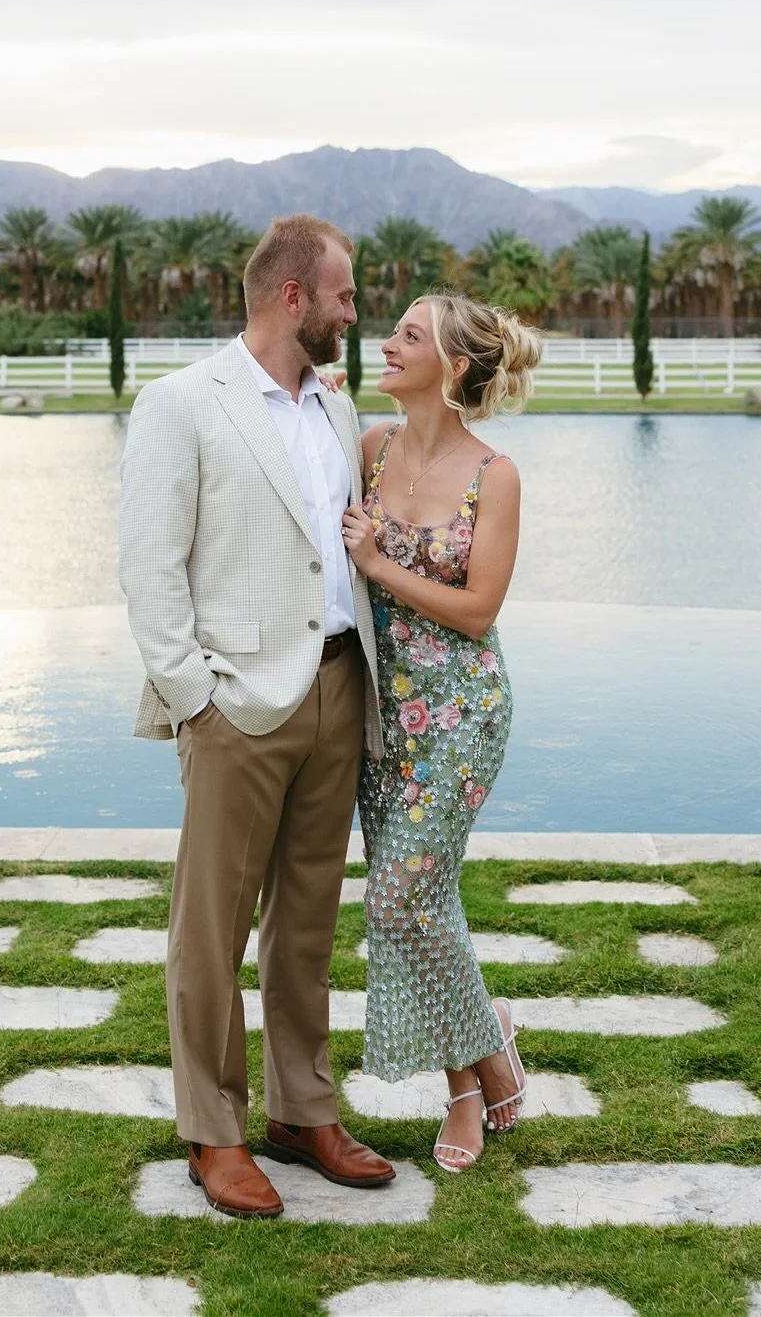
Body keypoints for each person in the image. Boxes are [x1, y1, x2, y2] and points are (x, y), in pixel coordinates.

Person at [118, 213, 395, 1219]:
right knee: (211, 929)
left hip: (336, 685)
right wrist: (198, 699)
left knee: (307, 925)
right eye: (345, 295)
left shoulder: (336, 402)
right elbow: (149, 567)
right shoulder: (183, 404)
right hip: (236, 704)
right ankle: (215, 1132)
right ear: (293, 298)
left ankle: (301, 1111)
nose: (354, 313)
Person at [341, 292, 541, 1172]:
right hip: (381, 717)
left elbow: (478, 609)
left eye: (408, 337)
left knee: (395, 899)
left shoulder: (492, 475)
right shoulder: (370, 451)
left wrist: (380, 564)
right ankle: (486, 1034)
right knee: (426, 901)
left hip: (460, 716)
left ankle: (471, 1081)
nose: (385, 343)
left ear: (453, 367)